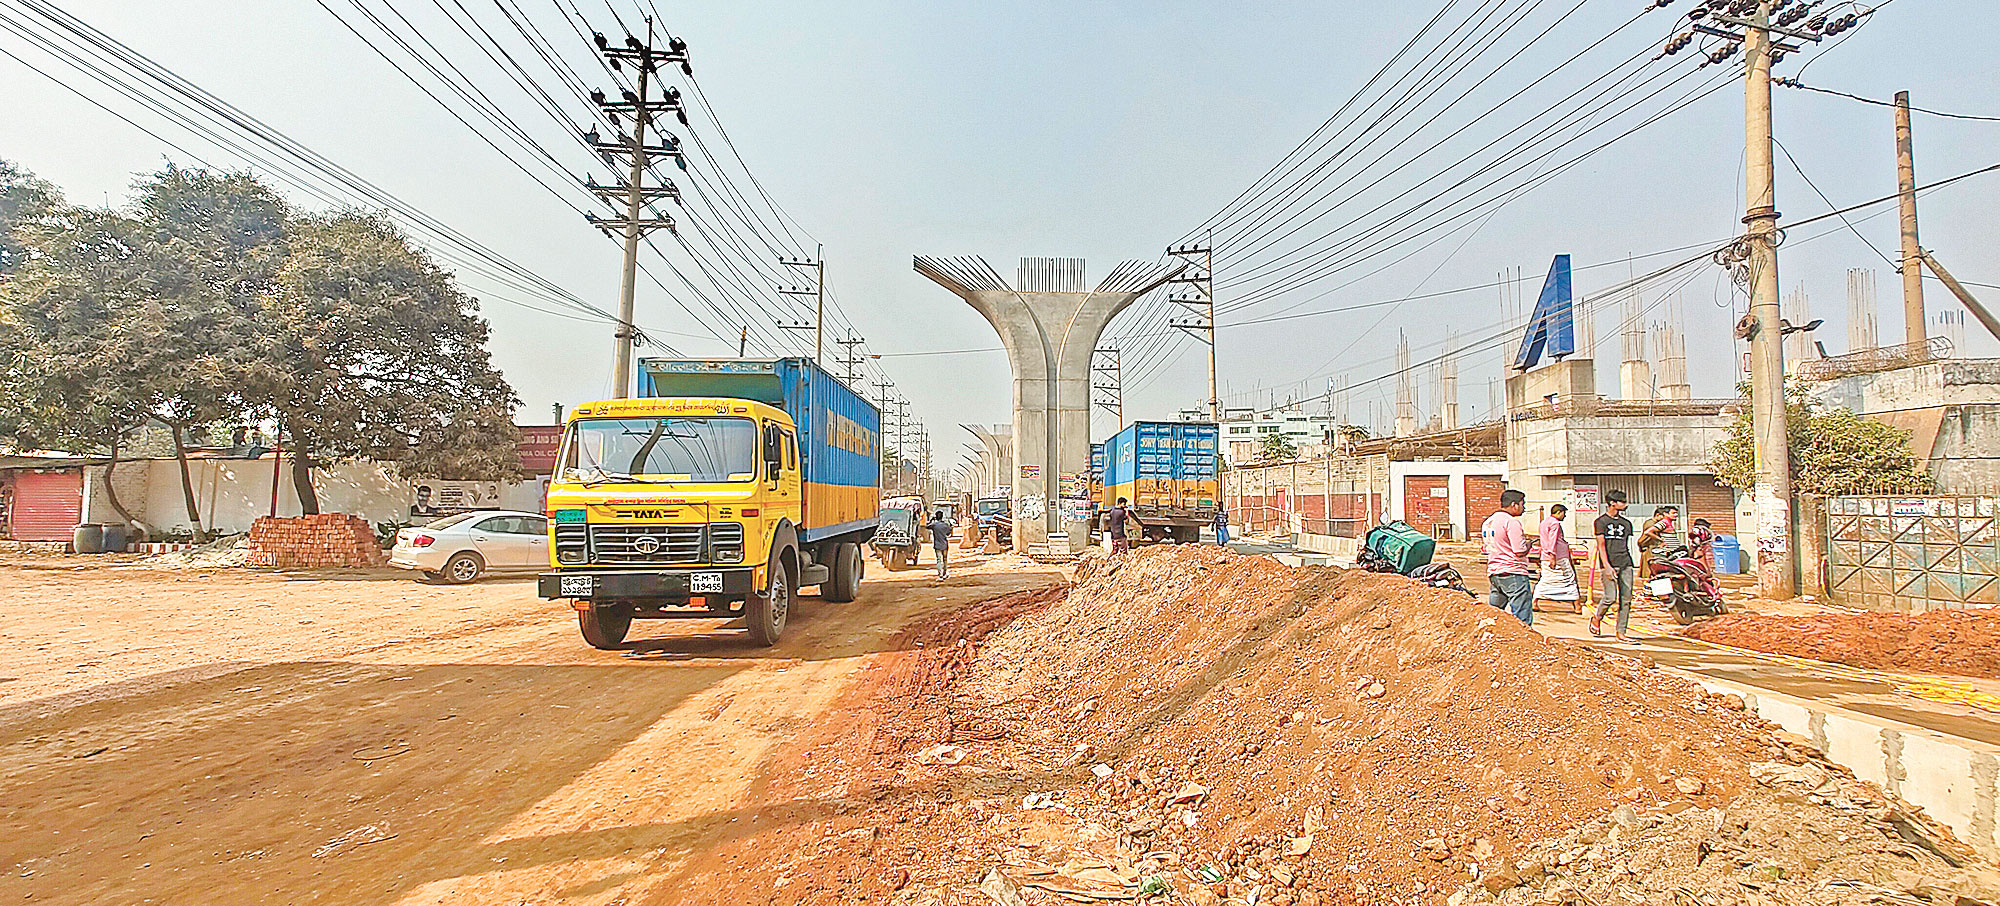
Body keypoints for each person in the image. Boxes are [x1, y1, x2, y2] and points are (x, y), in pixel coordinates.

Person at [1481, 489, 1535, 625]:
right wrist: (1528, 545)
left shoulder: (1488, 522)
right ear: (1514, 505)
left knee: (1494, 614)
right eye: (1523, 504)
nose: (1524, 508)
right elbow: (1519, 550)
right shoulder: (1511, 522)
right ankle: (1525, 641)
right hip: (1513, 571)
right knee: (1522, 615)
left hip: (1495, 571)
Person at [1591, 489, 1637, 640]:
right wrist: (1606, 566)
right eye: (1622, 501)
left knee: (1626, 599)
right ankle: (1597, 617)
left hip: (1626, 563)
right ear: (1612, 503)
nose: (1625, 504)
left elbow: (1626, 544)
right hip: (1609, 563)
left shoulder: (1626, 523)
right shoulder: (1601, 522)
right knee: (1610, 597)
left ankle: (1621, 632)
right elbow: (1601, 545)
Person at [1533, 503, 1580, 610]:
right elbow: (1552, 540)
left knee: (1546, 579)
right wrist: (1552, 556)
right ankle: (1577, 605)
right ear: (1559, 512)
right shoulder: (1555, 524)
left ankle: (1535, 601)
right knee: (1569, 578)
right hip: (1558, 556)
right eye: (1564, 513)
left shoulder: (1544, 523)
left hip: (1545, 555)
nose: (1564, 516)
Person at [926, 509, 954, 580]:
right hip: (944, 544)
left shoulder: (934, 525)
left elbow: (927, 526)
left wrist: (931, 520)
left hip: (937, 545)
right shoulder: (945, 525)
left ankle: (940, 574)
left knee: (939, 560)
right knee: (945, 560)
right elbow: (948, 533)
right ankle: (945, 573)